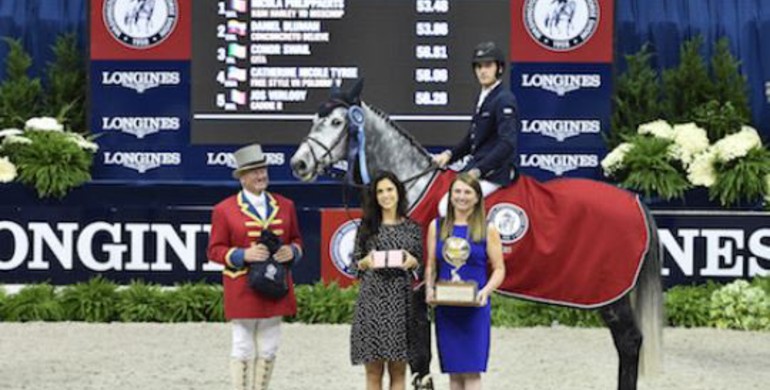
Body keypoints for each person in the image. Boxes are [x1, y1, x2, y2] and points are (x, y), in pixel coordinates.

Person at [207, 143, 303, 390]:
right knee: (242, 346)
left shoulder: (286, 205)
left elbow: (297, 240)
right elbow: (214, 251)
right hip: (243, 286)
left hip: (276, 284)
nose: (261, 176)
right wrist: (243, 254)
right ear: (241, 177)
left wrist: (291, 251)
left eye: (263, 170)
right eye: (254, 172)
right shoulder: (224, 210)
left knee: (270, 347)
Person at [425, 173, 506, 390]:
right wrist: (429, 290)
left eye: (468, 192)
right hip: (447, 308)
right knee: (453, 374)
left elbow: (499, 269)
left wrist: (485, 292)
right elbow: (431, 265)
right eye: (457, 192)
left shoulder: (487, 229)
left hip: (475, 309)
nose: (462, 197)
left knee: (472, 373)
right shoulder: (437, 226)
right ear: (450, 196)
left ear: (477, 197)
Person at [350, 171, 424, 390]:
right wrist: (365, 262)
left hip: (400, 303)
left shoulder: (413, 228)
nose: (385, 195)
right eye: (380, 191)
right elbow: (355, 266)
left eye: (389, 189)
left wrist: (412, 262)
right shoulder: (366, 227)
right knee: (373, 371)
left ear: (399, 192)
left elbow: (419, 267)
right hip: (371, 302)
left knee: (398, 370)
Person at [433, 41, 519, 216]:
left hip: (494, 173)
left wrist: (479, 170)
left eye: (488, 65)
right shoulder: (484, 97)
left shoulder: (504, 99)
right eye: (478, 66)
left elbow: (507, 143)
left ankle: (465, 244)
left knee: (446, 207)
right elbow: (472, 140)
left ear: (499, 69)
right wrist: (449, 155)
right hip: (477, 167)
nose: (482, 71)